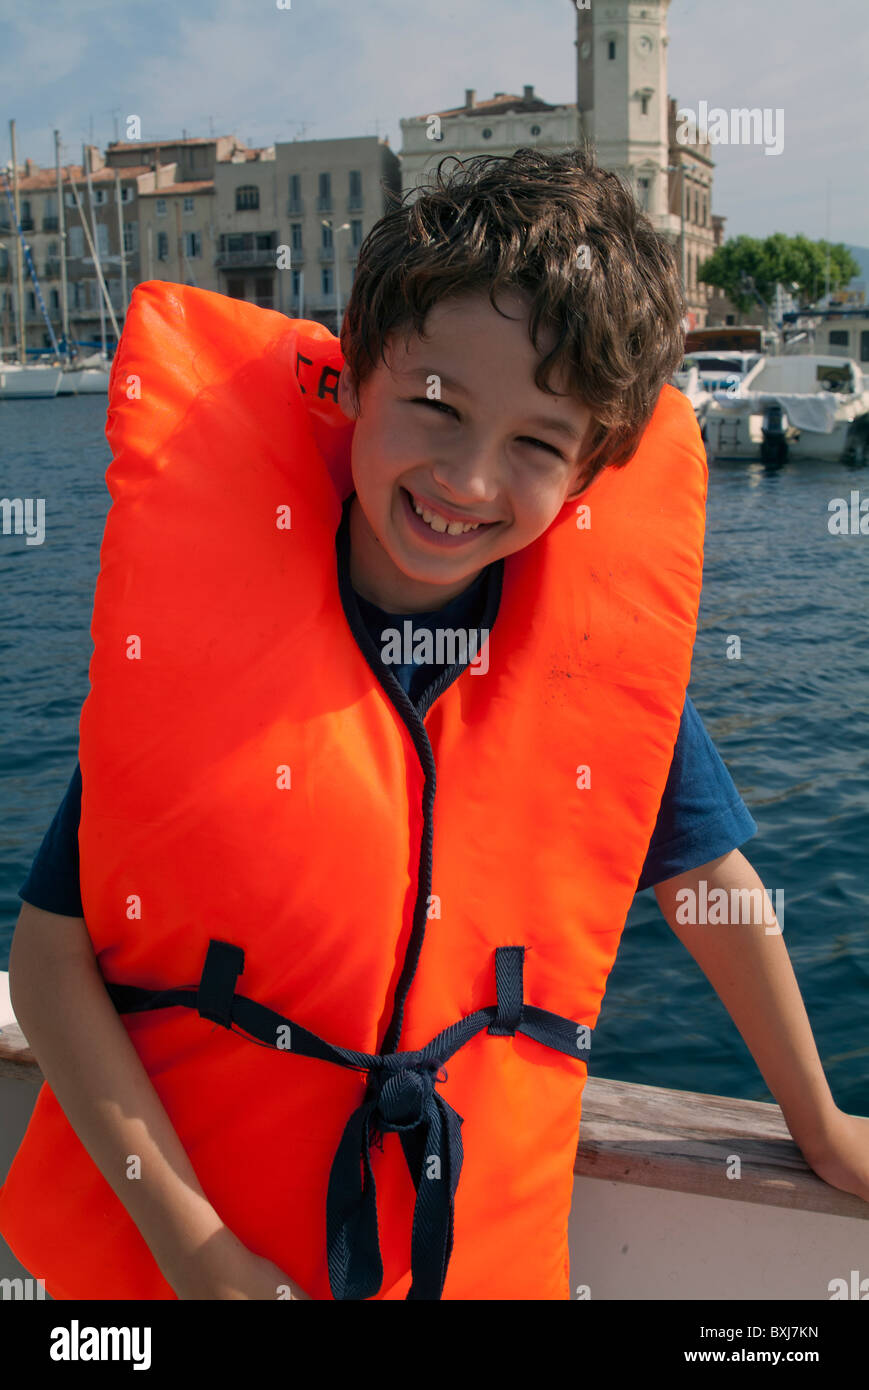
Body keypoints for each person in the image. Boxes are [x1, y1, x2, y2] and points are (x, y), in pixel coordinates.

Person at [3, 147, 867, 1302]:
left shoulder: (593, 674)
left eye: (533, 444)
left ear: (591, 466)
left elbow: (711, 888)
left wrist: (815, 1123)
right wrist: (198, 1251)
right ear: (359, 371)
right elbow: (49, 958)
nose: (465, 477)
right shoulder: (198, 636)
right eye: (434, 406)